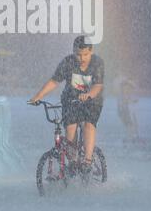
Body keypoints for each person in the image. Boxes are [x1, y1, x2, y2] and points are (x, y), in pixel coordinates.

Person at [29, 35, 104, 176]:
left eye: (85, 55)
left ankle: (87, 161)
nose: (81, 58)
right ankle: (73, 162)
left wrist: (88, 95)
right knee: (70, 128)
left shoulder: (97, 63)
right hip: (70, 99)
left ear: (91, 51)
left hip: (93, 100)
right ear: (73, 51)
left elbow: (98, 86)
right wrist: (38, 96)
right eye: (78, 54)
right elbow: (54, 81)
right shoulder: (68, 62)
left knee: (89, 124)